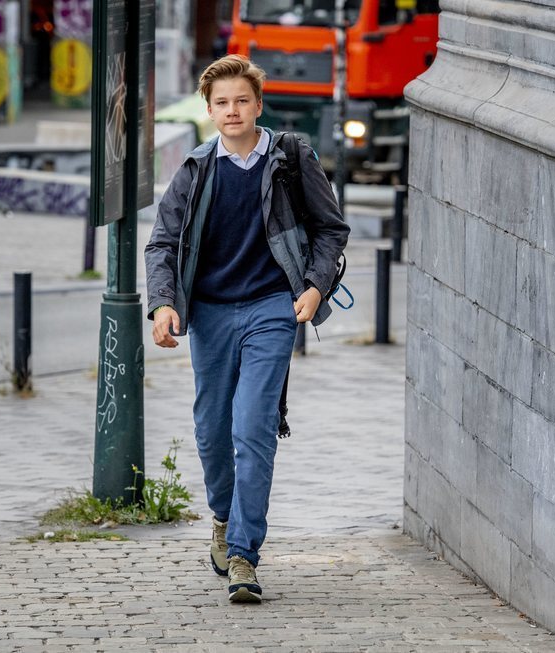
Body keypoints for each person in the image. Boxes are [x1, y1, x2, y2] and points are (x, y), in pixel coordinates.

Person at [144, 54, 350, 603]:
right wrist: (163, 305)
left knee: (252, 426)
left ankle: (243, 554)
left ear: (258, 104)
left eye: (242, 100)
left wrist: (313, 285)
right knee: (213, 431)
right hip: (209, 312)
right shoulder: (196, 169)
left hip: (271, 309)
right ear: (208, 110)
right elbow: (163, 243)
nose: (232, 111)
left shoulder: (289, 157)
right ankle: (222, 516)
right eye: (221, 103)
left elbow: (331, 229)